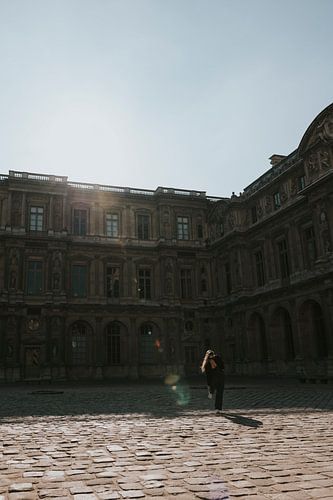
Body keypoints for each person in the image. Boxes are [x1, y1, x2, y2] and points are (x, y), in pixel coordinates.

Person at [201, 349, 225, 414]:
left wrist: (209, 385)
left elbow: (208, 376)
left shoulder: (206, 363)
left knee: (215, 390)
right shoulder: (218, 358)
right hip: (220, 377)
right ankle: (218, 408)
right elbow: (223, 367)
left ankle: (211, 391)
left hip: (214, 378)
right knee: (219, 393)